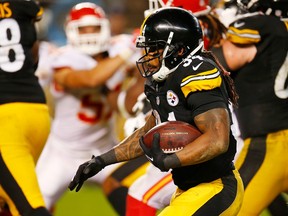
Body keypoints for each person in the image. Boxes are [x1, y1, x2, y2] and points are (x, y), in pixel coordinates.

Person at [69, 7, 244, 215]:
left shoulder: (196, 72)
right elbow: (147, 134)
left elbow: (217, 140)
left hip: (215, 187)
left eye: (155, 49)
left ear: (179, 50)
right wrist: (101, 161)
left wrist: (170, 160)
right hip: (187, 189)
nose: (148, 56)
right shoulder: (164, 80)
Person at [35, 3, 146, 216]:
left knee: (139, 198)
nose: (89, 34)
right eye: (82, 29)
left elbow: (143, 69)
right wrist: (127, 53)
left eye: (94, 28)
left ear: (104, 27)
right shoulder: (61, 57)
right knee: (32, 206)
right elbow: (90, 78)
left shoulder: (119, 47)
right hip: (62, 153)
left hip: (104, 150)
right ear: (70, 30)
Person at [211, 0, 288, 215]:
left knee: (226, 211)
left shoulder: (260, 25)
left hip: (269, 144)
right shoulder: (280, 29)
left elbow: (229, 59)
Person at [0, 1, 51, 216]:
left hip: (6, 122)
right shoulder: (22, 5)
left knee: (29, 208)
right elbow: (34, 50)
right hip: (36, 110)